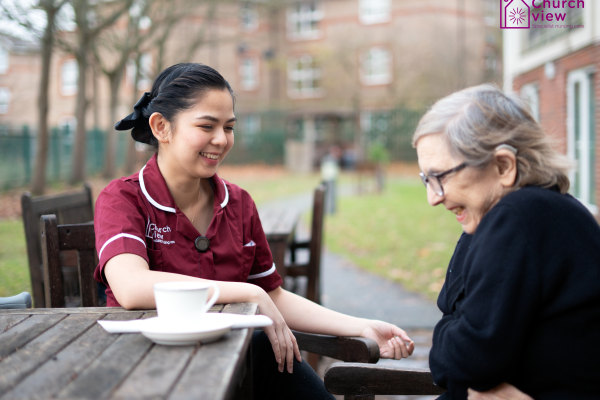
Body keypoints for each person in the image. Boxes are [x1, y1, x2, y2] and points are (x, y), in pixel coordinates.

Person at [93, 62, 414, 400]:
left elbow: (271, 293)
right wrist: (246, 293)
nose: (221, 139)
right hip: (148, 369)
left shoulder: (239, 203)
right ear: (161, 127)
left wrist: (360, 326)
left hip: (236, 363)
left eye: (229, 127)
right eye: (207, 126)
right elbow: (130, 287)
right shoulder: (124, 198)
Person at [412, 84, 600, 399]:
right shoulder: (531, 213)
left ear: (503, 166)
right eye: (426, 181)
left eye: (440, 177)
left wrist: (449, 333)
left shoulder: (520, 217)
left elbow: (466, 362)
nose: (433, 198)